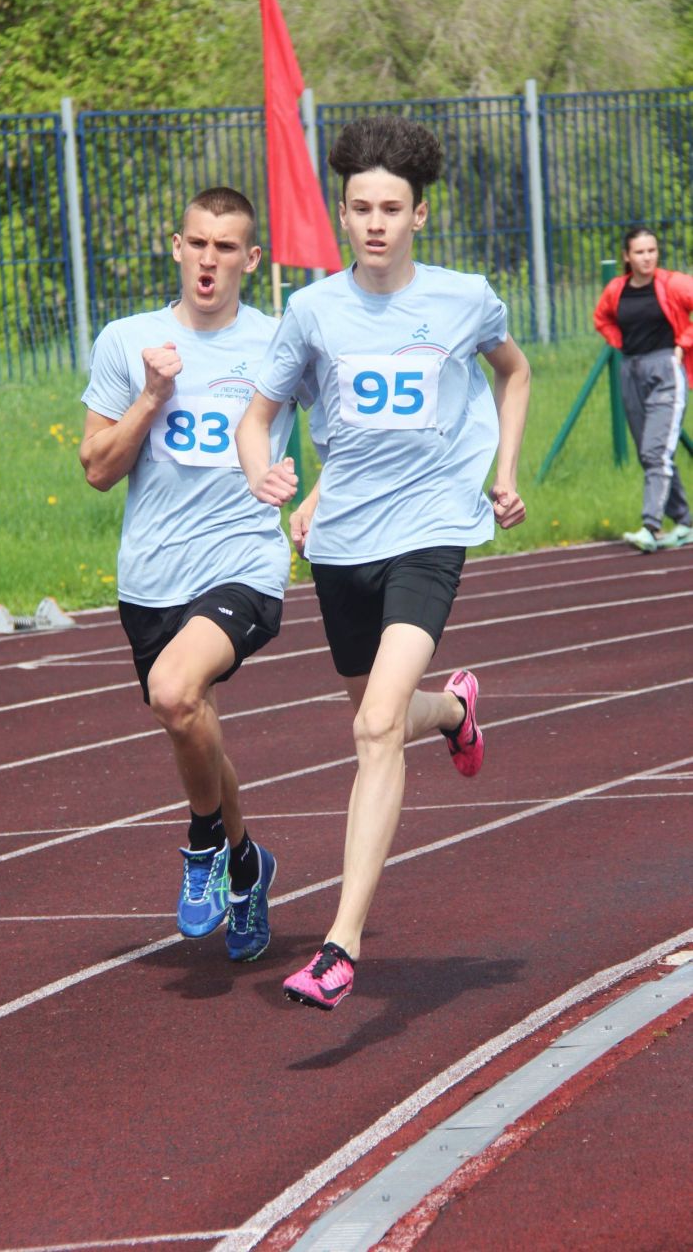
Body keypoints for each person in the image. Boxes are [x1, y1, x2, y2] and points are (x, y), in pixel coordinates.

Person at [236, 115, 531, 1010]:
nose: (373, 222)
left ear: (420, 215)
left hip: (434, 527)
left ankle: (339, 944)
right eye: (359, 207)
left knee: (370, 732)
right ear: (343, 212)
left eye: (390, 208)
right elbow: (261, 415)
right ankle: (453, 712)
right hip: (342, 543)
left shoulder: (464, 298)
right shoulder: (313, 310)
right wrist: (269, 472)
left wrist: (504, 471)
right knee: (380, 714)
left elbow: (513, 374)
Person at [79, 186, 298, 963]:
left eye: (226, 247)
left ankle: (205, 842)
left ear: (250, 259)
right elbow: (98, 470)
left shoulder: (279, 343)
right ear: (178, 247)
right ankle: (247, 862)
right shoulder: (128, 340)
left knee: (176, 692)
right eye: (198, 244)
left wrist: (313, 501)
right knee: (190, 724)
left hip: (243, 561)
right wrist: (150, 397)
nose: (210, 260)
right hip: (151, 577)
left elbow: (342, 434)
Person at [593, 225, 693, 552]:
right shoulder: (617, 289)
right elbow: (602, 318)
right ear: (627, 256)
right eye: (639, 252)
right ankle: (685, 521)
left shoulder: (672, 283)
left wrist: (683, 343)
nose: (647, 257)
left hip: (666, 370)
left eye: (651, 250)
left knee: (655, 451)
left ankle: (651, 526)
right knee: (649, 452)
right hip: (631, 370)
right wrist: (620, 344)